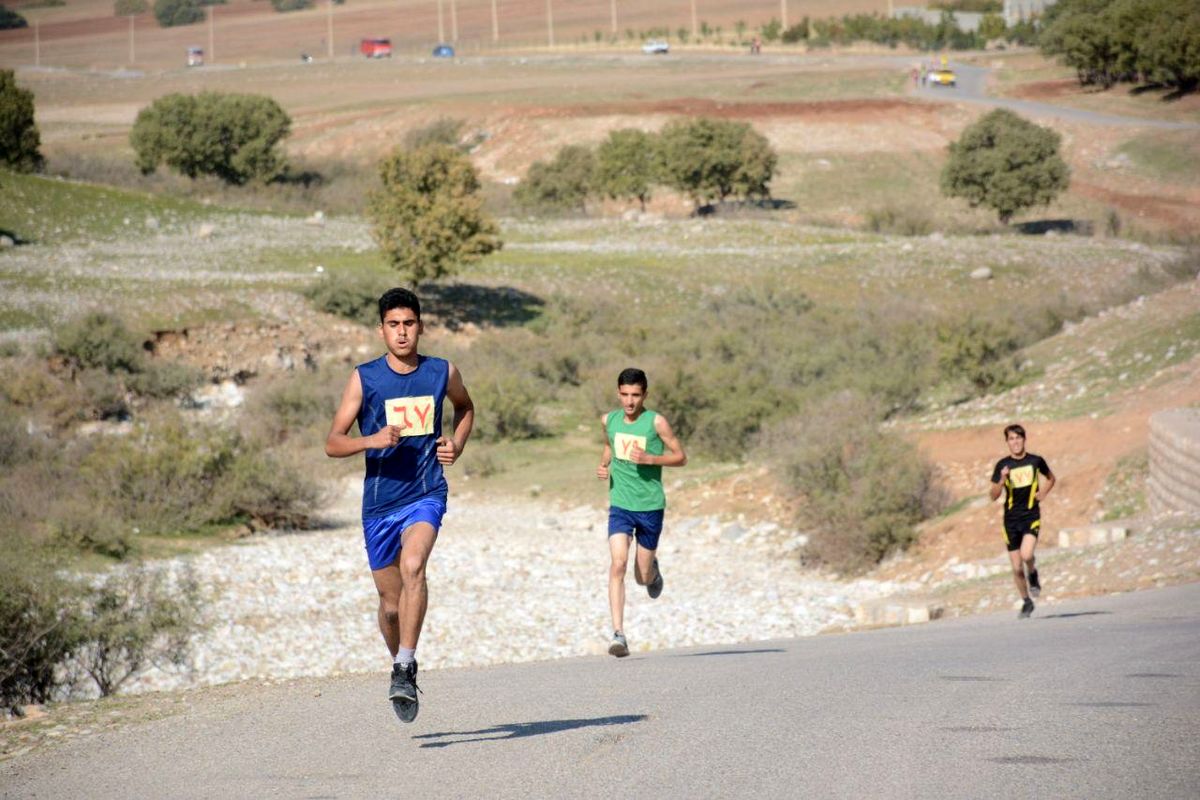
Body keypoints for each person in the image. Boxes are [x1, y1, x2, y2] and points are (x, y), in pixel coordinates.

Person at [325, 287, 474, 722]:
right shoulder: (364, 378)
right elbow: (333, 443)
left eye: (409, 324)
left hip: (426, 493)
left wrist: (457, 444)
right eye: (394, 325)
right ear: (382, 330)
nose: (402, 332)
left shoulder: (441, 372)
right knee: (391, 607)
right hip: (379, 506)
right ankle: (400, 668)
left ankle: (405, 664)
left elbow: (465, 409)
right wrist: (370, 439)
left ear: (421, 327)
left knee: (414, 566)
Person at [596, 368, 687, 657]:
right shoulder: (608, 420)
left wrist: (652, 458)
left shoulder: (656, 422)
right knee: (617, 565)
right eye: (624, 394)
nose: (630, 401)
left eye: (636, 395)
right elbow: (609, 444)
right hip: (620, 504)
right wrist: (603, 464)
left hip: (650, 507)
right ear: (618, 393)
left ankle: (653, 572)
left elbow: (681, 457)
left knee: (641, 576)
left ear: (645, 394)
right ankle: (618, 635)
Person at [989, 424, 1055, 619]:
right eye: (1011, 439)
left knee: (1027, 555)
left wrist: (1043, 492)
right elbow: (993, 495)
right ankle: (1026, 601)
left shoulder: (1036, 461)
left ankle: (1033, 573)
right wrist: (1001, 480)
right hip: (1010, 521)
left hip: (1031, 515)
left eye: (1018, 438)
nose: (1015, 442)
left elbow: (1051, 478)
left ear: (1024, 439)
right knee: (1016, 568)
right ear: (1007, 442)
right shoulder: (1003, 465)